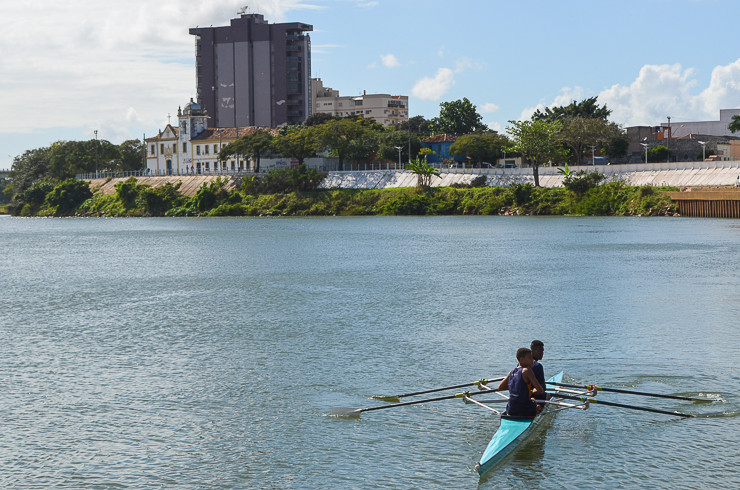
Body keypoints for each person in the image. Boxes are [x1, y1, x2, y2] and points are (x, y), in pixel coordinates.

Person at [497, 347, 544, 417]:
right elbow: (540, 390)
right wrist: (532, 390)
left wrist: (515, 387)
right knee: (534, 401)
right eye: (530, 358)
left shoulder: (511, 372)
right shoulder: (527, 370)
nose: (532, 360)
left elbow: (500, 387)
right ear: (521, 359)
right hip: (524, 410)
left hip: (511, 409)